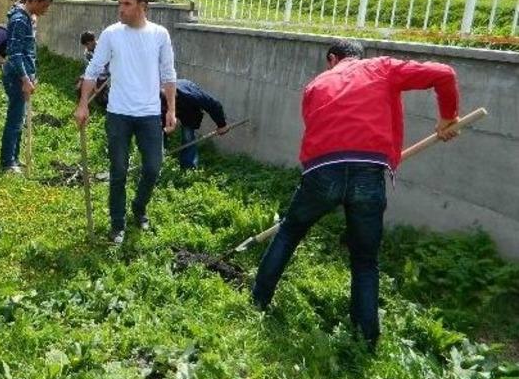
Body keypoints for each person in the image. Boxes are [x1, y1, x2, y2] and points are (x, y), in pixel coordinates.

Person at [251, 39, 460, 349]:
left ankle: (257, 302)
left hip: (322, 170)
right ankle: (366, 340)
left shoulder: (316, 84)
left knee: (289, 233)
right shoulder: (382, 68)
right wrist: (448, 117)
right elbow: (444, 73)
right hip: (369, 171)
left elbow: (315, 129)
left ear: (332, 59)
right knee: (364, 260)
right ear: (360, 57)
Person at [74, 0, 177, 245]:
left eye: (127, 4)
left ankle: (139, 208)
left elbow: (168, 74)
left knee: (153, 167)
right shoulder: (111, 34)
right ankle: (117, 224)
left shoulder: (159, 35)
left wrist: (172, 110)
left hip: (149, 114)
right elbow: (93, 70)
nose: (121, 8)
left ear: (143, 6)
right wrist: (83, 104)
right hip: (118, 114)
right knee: (118, 170)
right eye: (119, 3)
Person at [0, 0, 54, 173]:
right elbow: (14, 53)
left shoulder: (27, 18)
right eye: (44, 6)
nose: (46, 11)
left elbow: (27, 51)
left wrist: (32, 76)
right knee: (15, 118)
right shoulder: (20, 20)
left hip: (23, 75)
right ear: (35, 0)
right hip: (16, 76)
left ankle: (13, 157)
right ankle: (8, 161)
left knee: (19, 117)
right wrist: (24, 78)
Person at [161, 79, 231, 169]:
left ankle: (188, 167)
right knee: (159, 134)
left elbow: (214, 105)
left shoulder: (192, 96)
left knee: (188, 136)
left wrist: (222, 125)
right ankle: (158, 163)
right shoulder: (158, 97)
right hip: (164, 110)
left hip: (189, 110)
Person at [74, 31, 109, 108]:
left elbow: (105, 68)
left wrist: (95, 86)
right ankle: (84, 105)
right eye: (85, 45)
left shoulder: (103, 48)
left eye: (87, 44)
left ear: (92, 41)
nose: (86, 47)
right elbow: (89, 70)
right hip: (95, 76)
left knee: (103, 101)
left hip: (106, 76)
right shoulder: (87, 53)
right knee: (79, 84)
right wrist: (82, 79)